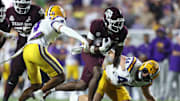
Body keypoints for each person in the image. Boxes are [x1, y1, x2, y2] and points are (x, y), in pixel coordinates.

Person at [44, 7, 128, 101]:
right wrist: (100, 49)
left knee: (82, 85)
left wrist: (115, 69)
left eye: (120, 22)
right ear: (107, 21)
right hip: (89, 52)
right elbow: (87, 47)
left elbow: (117, 55)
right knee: (97, 72)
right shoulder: (96, 25)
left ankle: (51, 89)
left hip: (100, 56)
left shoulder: (123, 32)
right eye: (115, 23)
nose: (119, 25)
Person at [18, 5, 88, 101]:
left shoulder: (42, 22)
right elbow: (65, 30)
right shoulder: (53, 22)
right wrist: (82, 39)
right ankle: (41, 93)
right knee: (60, 76)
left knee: (35, 85)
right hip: (36, 48)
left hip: (26, 50)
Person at [3, 0, 45, 101]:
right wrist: (12, 33)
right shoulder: (9, 12)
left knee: (41, 77)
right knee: (14, 74)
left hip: (36, 46)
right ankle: (5, 98)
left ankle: (41, 96)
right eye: (20, 4)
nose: (22, 7)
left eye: (24, 4)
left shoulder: (37, 11)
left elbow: (46, 28)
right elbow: (5, 30)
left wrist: (35, 31)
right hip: (21, 47)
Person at [93, 52, 160, 101]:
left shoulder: (145, 82)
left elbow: (148, 96)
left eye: (148, 76)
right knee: (100, 92)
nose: (145, 76)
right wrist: (109, 52)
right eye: (145, 71)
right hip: (107, 75)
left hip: (117, 85)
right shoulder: (133, 65)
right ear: (143, 66)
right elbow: (119, 57)